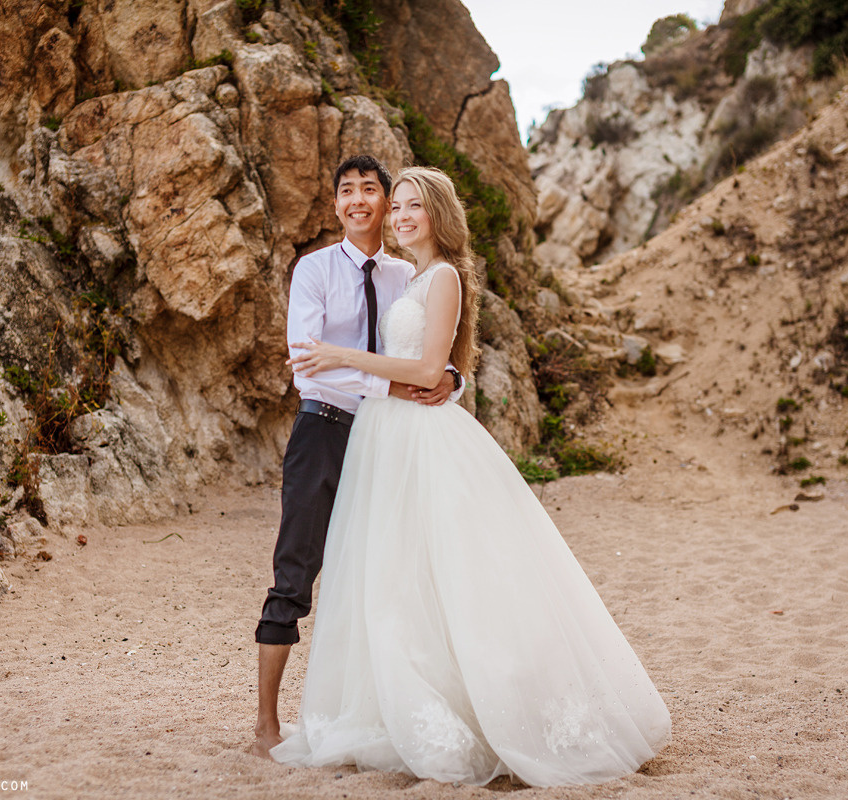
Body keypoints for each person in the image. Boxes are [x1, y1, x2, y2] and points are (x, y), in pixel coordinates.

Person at [272, 166, 671, 786]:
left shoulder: (440, 276)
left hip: (413, 435)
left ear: (437, 213)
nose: (401, 216)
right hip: (371, 433)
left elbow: (433, 368)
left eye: (412, 205)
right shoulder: (390, 274)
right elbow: (396, 363)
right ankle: (365, 711)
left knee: (448, 569)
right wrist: (430, 377)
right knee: (384, 574)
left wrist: (356, 357)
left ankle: (477, 709)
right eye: (398, 205)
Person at [251, 155, 461, 759]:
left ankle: (381, 713)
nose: (359, 200)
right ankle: (266, 725)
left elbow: (430, 353)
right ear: (337, 203)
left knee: (387, 574)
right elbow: (307, 368)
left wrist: (453, 380)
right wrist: (390, 385)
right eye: (347, 191)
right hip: (323, 429)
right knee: (295, 570)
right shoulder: (314, 269)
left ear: (387, 203)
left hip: (387, 442)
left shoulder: (409, 274)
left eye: (371, 190)